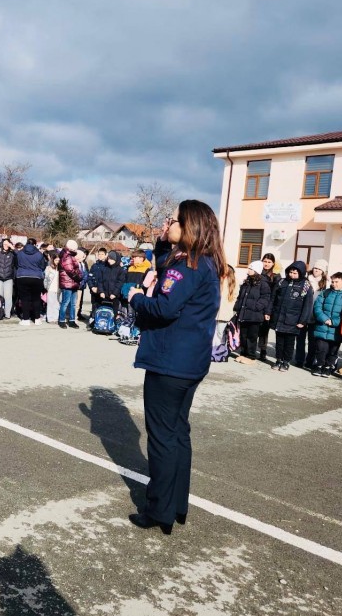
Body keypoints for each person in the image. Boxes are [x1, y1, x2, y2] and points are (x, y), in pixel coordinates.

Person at [127, 200, 226, 534]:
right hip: (189, 363)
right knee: (177, 433)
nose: (168, 224)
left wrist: (136, 298)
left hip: (170, 363)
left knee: (162, 439)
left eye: (173, 220)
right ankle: (176, 503)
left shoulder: (187, 265)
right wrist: (161, 242)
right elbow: (166, 270)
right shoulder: (204, 263)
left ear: (190, 226)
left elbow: (165, 305)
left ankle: (158, 510)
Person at [270, 261, 314, 371]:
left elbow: (307, 305)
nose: (292, 275)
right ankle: (278, 359)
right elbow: (273, 299)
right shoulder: (282, 282)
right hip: (279, 318)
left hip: (294, 320)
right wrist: (269, 312)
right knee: (279, 342)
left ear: (301, 273)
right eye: (291, 272)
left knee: (289, 343)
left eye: (295, 273)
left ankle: (286, 362)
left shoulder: (305, 285)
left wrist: (302, 321)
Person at [311, 272, 342, 377]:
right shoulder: (325, 293)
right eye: (332, 281)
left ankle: (328, 367)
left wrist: (334, 321)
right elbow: (317, 307)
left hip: (336, 329)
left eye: (336, 282)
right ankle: (319, 365)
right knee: (321, 348)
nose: (333, 284)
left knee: (333, 350)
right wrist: (324, 319)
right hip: (322, 326)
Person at [233, 260, 271, 363]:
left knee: (252, 336)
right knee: (243, 335)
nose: (248, 270)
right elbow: (240, 296)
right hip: (244, 313)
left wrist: (256, 307)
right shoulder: (247, 281)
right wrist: (237, 307)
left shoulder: (263, 283)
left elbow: (266, 297)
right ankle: (243, 353)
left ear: (256, 270)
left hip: (255, 315)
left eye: (251, 269)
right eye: (249, 268)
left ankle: (250, 356)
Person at [296, 259, 328, 368]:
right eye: (315, 268)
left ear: (323, 271)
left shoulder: (325, 284)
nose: (316, 271)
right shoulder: (305, 280)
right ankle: (299, 360)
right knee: (300, 338)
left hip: (315, 316)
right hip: (303, 313)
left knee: (312, 340)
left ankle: (309, 361)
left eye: (319, 269)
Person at [15, 237, 47, 326]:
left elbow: (16, 264)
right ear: (35, 244)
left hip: (22, 276)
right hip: (36, 277)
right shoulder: (39, 254)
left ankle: (26, 319)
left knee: (25, 299)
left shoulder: (20, 253)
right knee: (36, 298)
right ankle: (37, 319)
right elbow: (42, 266)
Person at [257, 253, 280, 361]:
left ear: (273, 263)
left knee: (264, 330)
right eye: (265, 261)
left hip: (267, 305)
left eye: (269, 262)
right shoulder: (257, 271)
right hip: (256, 303)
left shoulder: (275, 276)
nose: (266, 264)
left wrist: (269, 309)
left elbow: (275, 294)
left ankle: (263, 350)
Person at [57, 239, 83, 329]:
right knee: (65, 303)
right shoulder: (66, 256)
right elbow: (70, 270)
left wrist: (79, 275)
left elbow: (75, 270)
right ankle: (62, 320)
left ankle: (72, 320)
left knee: (73, 303)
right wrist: (79, 277)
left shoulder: (70, 256)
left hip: (73, 283)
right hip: (67, 283)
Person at [213, 264, 237, 348]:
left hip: (225, 312)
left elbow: (234, 298)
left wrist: (230, 310)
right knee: (213, 331)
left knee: (220, 331)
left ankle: (219, 349)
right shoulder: (217, 280)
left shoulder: (234, 283)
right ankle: (213, 348)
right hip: (215, 310)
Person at [0, 238, 17, 319]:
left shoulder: (12, 254)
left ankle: (7, 314)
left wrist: (12, 247)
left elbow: (19, 255)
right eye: (4, 244)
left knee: (8, 297)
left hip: (8, 278)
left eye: (7, 244)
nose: (6, 246)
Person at [43, 251, 60, 323]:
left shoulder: (60, 269)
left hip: (58, 289)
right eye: (56, 260)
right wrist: (46, 287)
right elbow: (45, 279)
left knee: (57, 304)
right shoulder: (48, 268)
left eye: (58, 260)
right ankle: (50, 318)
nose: (57, 262)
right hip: (50, 288)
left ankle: (55, 318)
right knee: (50, 303)